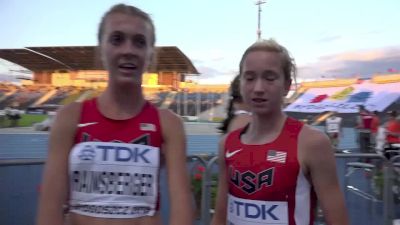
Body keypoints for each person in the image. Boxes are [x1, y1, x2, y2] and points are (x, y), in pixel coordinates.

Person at [36, 4, 193, 225]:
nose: (128, 50)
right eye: (117, 39)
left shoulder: (168, 124)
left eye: (139, 42)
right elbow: (49, 207)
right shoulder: (70, 118)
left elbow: (182, 205)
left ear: (150, 55)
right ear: (101, 51)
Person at [211, 39, 349, 225]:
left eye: (270, 78)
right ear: (241, 84)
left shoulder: (311, 143)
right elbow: (220, 217)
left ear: (287, 85)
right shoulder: (227, 144)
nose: (258, 88)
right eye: (250, 78)